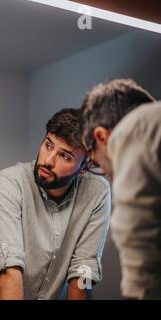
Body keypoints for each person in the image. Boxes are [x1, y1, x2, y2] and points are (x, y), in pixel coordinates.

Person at [0, 108, 111, 300]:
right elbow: (10, 269)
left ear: (85, 166)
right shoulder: (10, 182)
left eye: (65, 156)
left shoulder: (97, 192)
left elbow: (83, 271)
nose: (48, 160)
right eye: (48, 145)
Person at [80, 78, 161, 299]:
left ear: (101, 137)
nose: (108, 174)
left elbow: (138, 230)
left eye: (97, 163)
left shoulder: (135, 128)